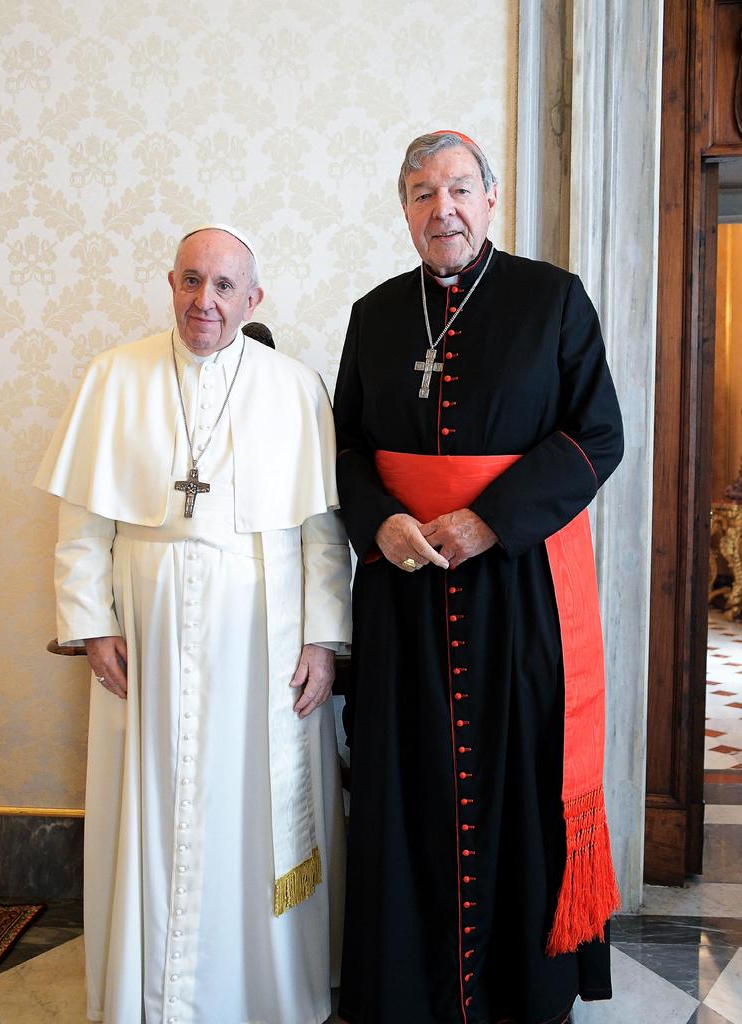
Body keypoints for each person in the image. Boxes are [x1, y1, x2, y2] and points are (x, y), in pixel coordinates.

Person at [333, 131, 624, 1024]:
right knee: (404, 781)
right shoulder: (375, 313)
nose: (441, 208)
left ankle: (522, 991)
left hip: (520, 592)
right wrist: (378, 519)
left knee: (521, 780)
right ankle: (407, 989)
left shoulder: (553, 299)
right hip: (403, 588)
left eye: (458, 188)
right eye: (421, 193)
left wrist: (490, 521)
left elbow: (597, 436)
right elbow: (342, 447)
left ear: (491, 200)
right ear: (405, 210)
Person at [35, 224, 351, 1024]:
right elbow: (82, 526)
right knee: (151, 800)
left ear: (254, 298)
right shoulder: (114, 377)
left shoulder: (296, 387)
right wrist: (91, 621)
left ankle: (263, 993)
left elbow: (321, 532)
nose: (203, 302)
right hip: (146, 628)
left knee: (253, 807)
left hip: (264, 637)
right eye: (189, 282)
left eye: (221, 287)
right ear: (170, 284)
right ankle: (148, 993)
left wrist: (323, 641)